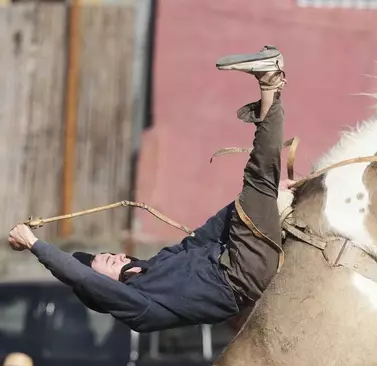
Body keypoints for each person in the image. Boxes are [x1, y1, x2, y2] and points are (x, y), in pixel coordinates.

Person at [7, 46, 291, 333]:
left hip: (242, 253)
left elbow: (203, 237)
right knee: (259, 176)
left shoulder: (161, 262)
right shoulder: (139, 306)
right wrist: (34, 244)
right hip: (243, 272)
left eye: (110, 254)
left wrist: (250, 204)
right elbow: (82, 278)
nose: (116, 255)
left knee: (263, 187)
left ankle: (269, 93)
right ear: (105, 287)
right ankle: (269, 81)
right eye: (105, 262)